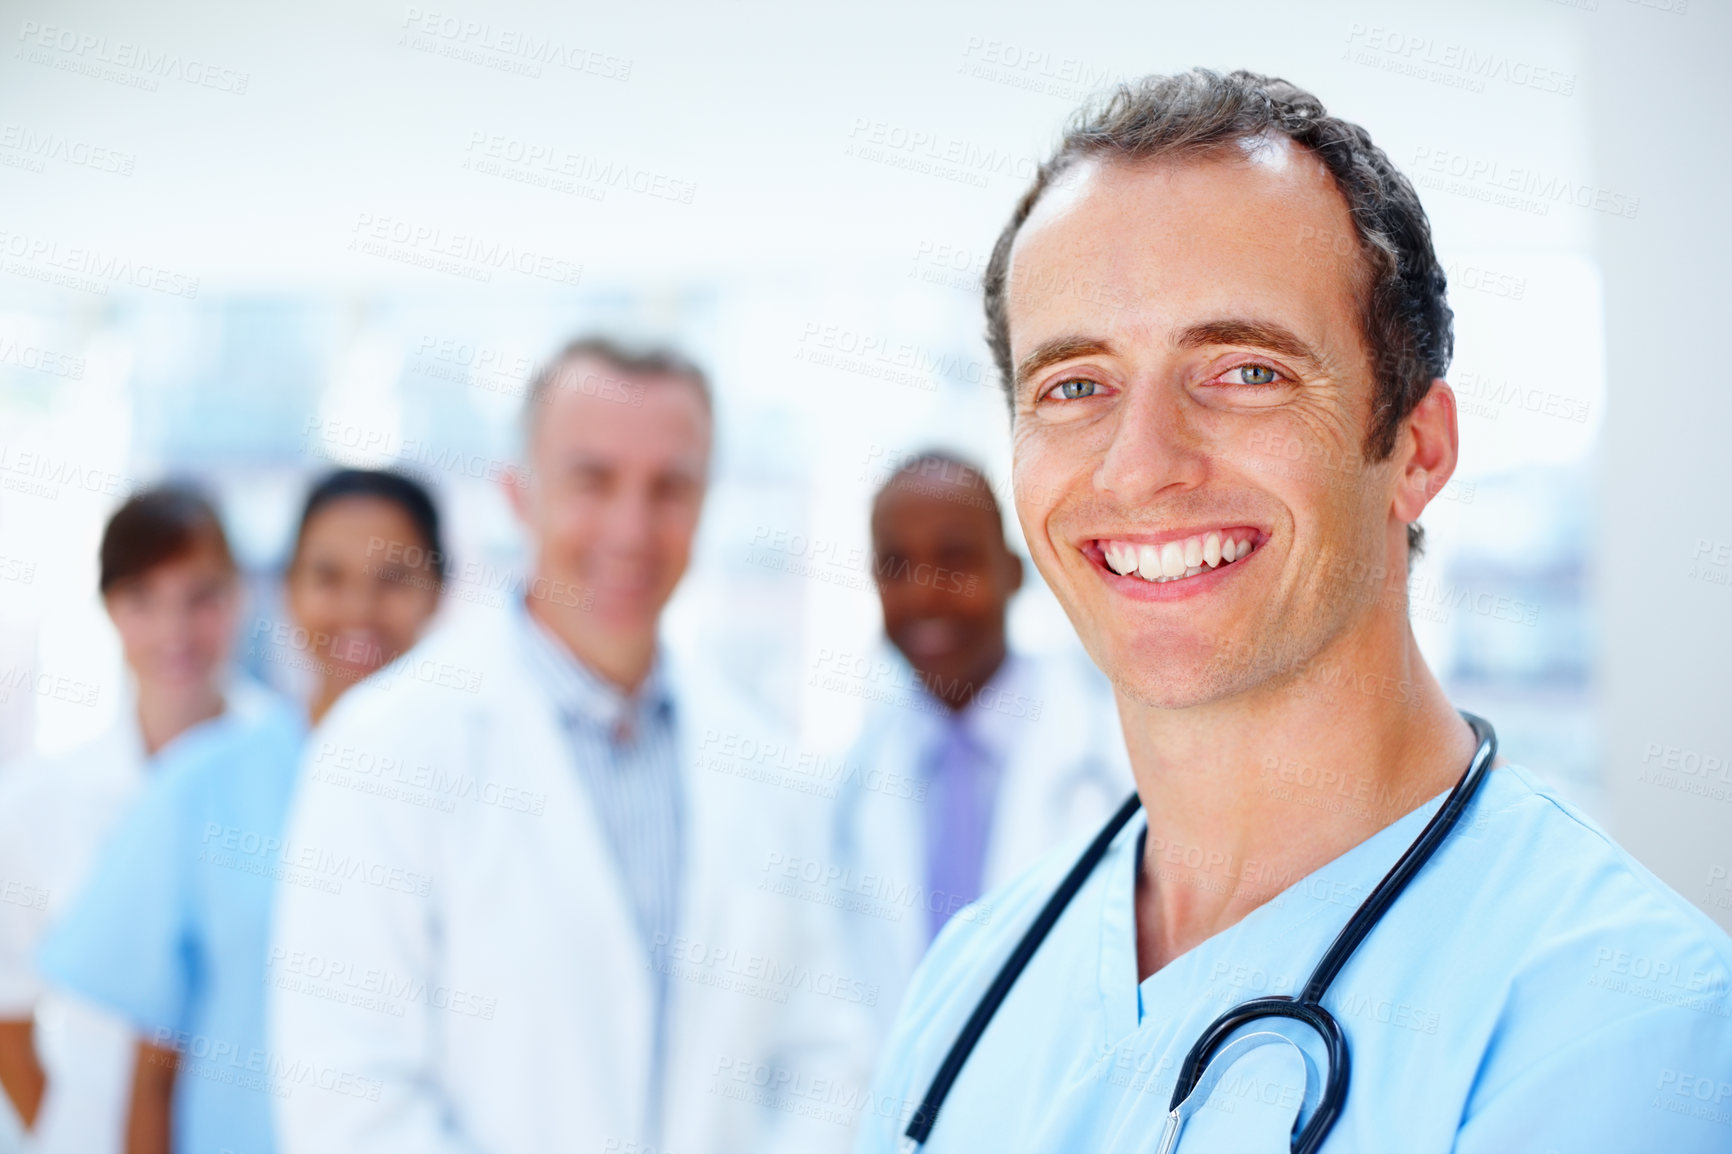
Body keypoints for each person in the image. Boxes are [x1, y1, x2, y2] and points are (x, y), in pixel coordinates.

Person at [857, 69, 1732, 1153]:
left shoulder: (1622, 1021)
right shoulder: (973, 984)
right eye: (1074, 386)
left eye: (1245, 369)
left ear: (1416, 448)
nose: (1139, 468)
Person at [269, 338, 869, 1154]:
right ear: (520, 495)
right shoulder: (383, 749)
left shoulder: (772, 769)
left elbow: (823, 1064)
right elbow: (351, 1097)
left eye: (670, 488)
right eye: (592, 481)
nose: (631, 528)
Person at [34, 469, 447, 1154]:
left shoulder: (494, 798)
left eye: (394, 579)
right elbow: (155, 1076)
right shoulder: (204, 788)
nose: (360, 609)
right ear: (287, 593)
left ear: (438, 593)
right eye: (328, 576)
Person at [0, 485, 265, 1154]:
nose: (175, 632)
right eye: (144, 600)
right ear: (110, 610)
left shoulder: (295, 768)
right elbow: (8, 1011)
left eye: (201, 598)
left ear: (239, 599)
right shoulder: (41, 800)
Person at [831, 450, 1130, 1041]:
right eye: (896, 565)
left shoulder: (1110, 749)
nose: (925, 597)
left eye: (955, 559)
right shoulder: (855, 785)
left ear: (1014, 572)